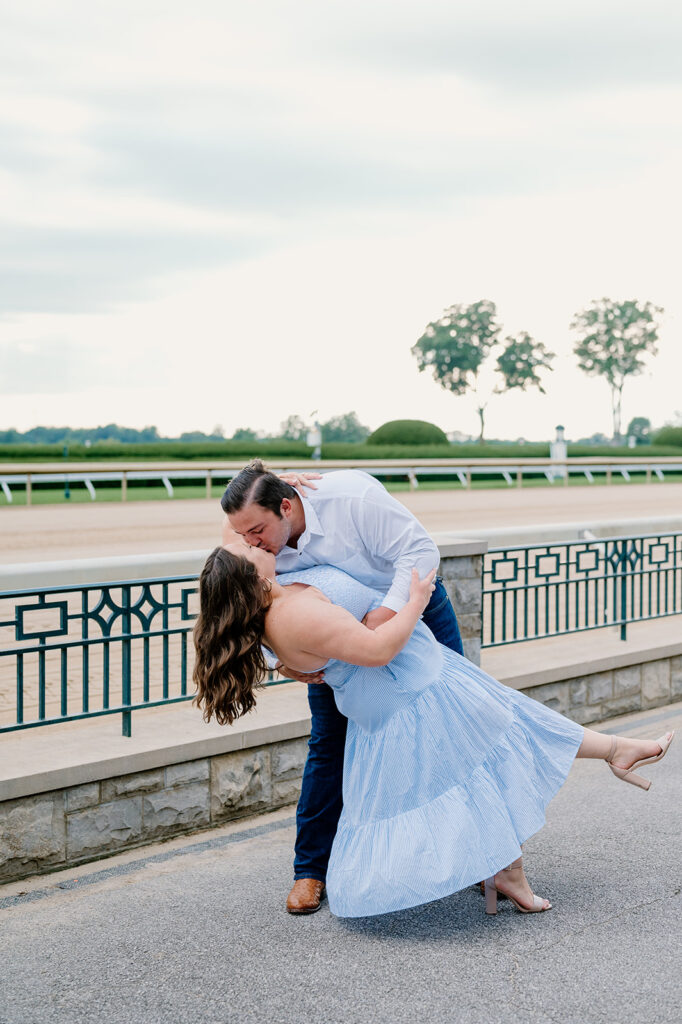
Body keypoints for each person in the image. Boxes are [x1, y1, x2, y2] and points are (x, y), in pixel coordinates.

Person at [193, 541, 674, 919]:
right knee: (489, 756)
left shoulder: (272, 604)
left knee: (509, 730)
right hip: (409, 693)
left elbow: (241, 566)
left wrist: (284, 665)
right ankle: (512, 869)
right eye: (250, 548)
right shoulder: (294, 614)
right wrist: (416, 601)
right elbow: (378, 649)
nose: (254, 543)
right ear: (253, 576)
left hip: (415, 681)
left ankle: (612, 755)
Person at [220, 460, 464, 913]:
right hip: (333, 644)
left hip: (412, 607)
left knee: (453, 727)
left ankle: (480, 857)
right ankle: (309, 871)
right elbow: (241, 605)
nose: (249, 542)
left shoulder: (350, 497)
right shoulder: (251, 539)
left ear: (287, 507)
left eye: (256, 530)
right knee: (329, 744)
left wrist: (387, 613)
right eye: (241, 534)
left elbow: (421, 551)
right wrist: (280, 661)